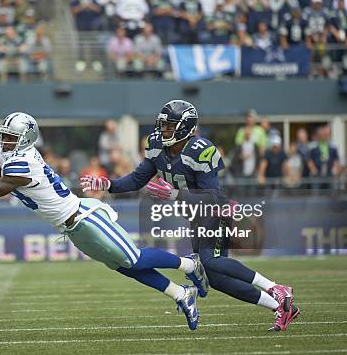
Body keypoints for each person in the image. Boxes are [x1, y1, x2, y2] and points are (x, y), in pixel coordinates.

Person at [0, 113, 205, 331]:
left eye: (11, 137)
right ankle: (180, 294)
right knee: (125, 268)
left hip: (85, 218)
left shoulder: (22, 165)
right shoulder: (14, 156)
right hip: (72, 227)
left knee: (135, 258)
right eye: (5, 136)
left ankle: (190, 265)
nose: (4, 141)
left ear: (24, 140)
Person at [81, 100, 300, 332]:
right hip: (196, 216)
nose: (163, 130)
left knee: (210, 261)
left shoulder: (200, 150)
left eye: (169, 125)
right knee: (216, 278)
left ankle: (276, 288)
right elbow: (137, 179)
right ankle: (280, 306)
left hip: (216, 212)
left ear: (185, 127)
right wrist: (108, 184)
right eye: (163, 125)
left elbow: (213, 197)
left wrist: (175, 195)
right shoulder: (156, 145)